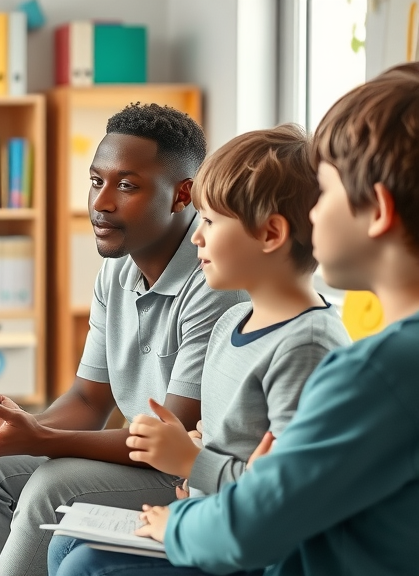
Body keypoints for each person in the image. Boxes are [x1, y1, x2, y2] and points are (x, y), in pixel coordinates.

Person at [90, 61, 419, 576]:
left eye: (326, 192)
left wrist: (188, 507)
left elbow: (252, 525)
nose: (311, 214)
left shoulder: (378, 369)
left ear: (376, 210)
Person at [0, 103, 248, 576]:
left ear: (183, 195)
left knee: (54, 482)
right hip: (145, 460)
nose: (101, 202)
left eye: (127, 185)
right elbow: (87, 398)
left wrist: (41, 438)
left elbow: (172, 434)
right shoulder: (116, 269)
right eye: (97, 181)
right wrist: (17, 429)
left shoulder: (215, 278)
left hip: (188, 472)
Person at [48, 124, 352, 575]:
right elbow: (230, 446)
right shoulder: (234, 321)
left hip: (258, 549)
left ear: (270, 235)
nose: (196, 237)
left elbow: (288, 497)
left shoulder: (305, 347)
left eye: (210, 221)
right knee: (65, 545)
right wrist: (195, 453)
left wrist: (192, 460)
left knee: (84, 566)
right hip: (211, 516)